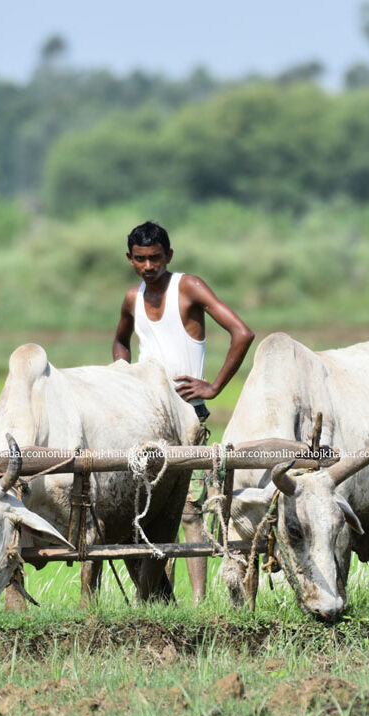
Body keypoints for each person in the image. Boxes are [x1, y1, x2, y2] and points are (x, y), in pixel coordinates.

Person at [113, 221, 254, 600]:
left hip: (186, 416)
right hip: (144, 417)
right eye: (140, 259)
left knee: (190, 510)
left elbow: (242, 332)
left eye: (155, 258)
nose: (148, 266)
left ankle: (198, 601)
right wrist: (121, 377)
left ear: (169, 255)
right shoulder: (132, 298)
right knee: (145, 509)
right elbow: (120, 341)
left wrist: (214, 386)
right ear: (130, 259)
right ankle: (160, 599)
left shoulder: (187, 287)